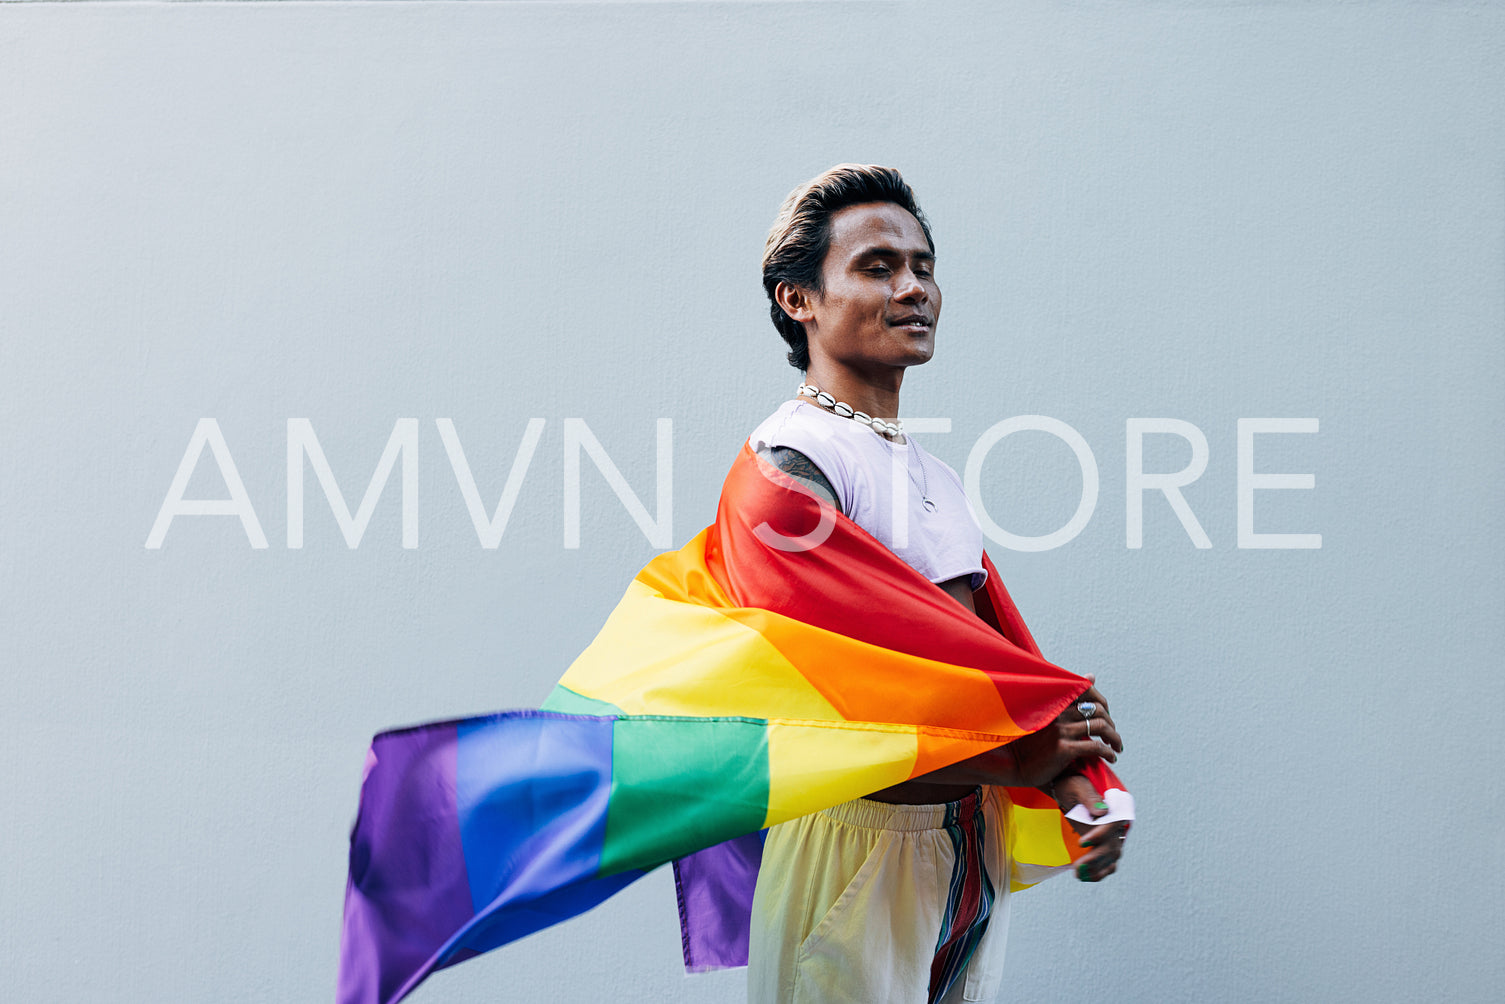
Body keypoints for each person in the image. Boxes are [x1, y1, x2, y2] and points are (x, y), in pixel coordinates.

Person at [744, 164, 1131, 1004]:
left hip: (964, 837)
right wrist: (1016, 753)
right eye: (877, 266)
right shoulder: (792, 466)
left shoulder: (933, 474)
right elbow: (822, 713)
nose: (914, 286)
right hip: (859, 845)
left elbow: (980, 665)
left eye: (923, 265)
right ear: (796, 299)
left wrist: (1063, 758)